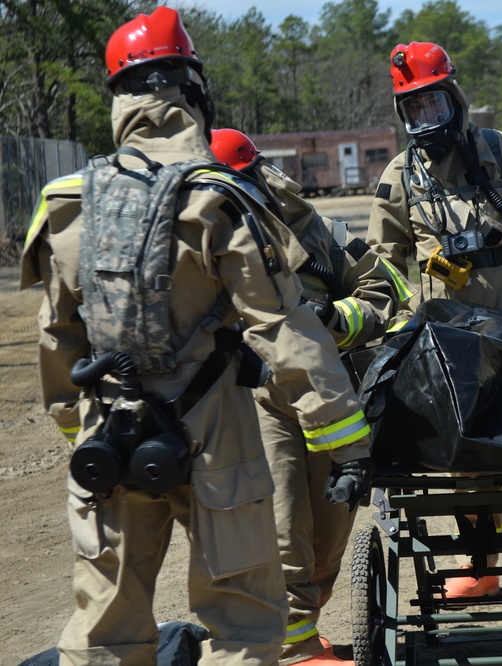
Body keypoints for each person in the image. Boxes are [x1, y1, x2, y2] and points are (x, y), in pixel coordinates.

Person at [20, 8, 372, 665]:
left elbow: (57, 345)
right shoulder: (216, 201)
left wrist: (83, 430)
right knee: (245, 624)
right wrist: (346, 443)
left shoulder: (66, 203)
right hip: (215, 440)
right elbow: (284, 330)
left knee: (104, 631)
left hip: (109, 442)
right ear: (192, 91)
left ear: (119, 99)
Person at [366, 41, 502, 604]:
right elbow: (381, 264)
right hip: (452, 344)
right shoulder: (400, 178)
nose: (426, 119)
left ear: (455, 98)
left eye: (434, 104)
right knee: (464, 459)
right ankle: (480, 564)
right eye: (414, 109)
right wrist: (398, 330)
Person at [211, 127, 411, 665]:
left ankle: (305, 624)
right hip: (252, 401)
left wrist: (338, 319)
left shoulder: (317, 233)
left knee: (329, 530)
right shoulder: (197, 245)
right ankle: (294, 646)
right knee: (281, 525)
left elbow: (387, 290)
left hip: (326, 400)